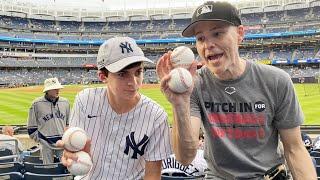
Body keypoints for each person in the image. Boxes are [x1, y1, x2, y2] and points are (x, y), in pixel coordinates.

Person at [156, 1, 317, 179]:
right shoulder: (195, 84)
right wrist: (180, 104)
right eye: (200, 38)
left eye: (217, 33)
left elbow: (294, 149)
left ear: (240, 34)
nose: (207, 44)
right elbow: (185, 158)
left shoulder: (277, 80)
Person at [58, 36, 172, 179]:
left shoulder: (157, 116)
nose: (133, 82)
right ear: (102, 76)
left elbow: (153, 175)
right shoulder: (85, 100)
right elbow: (73, 152)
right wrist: (71, 154)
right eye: (122, 74)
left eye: (138, 72)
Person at [27, 77, 70, 164]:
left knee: (65, 167)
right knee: (48, 168)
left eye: (58, 88)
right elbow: (31, 128)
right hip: (45, 144)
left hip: (62, 143)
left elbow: (69, 124)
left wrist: (66, 140)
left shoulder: (65, 102)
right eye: (54, 88)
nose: (57, 90)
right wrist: (41, 140)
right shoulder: (36, 104)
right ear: (47, 90)